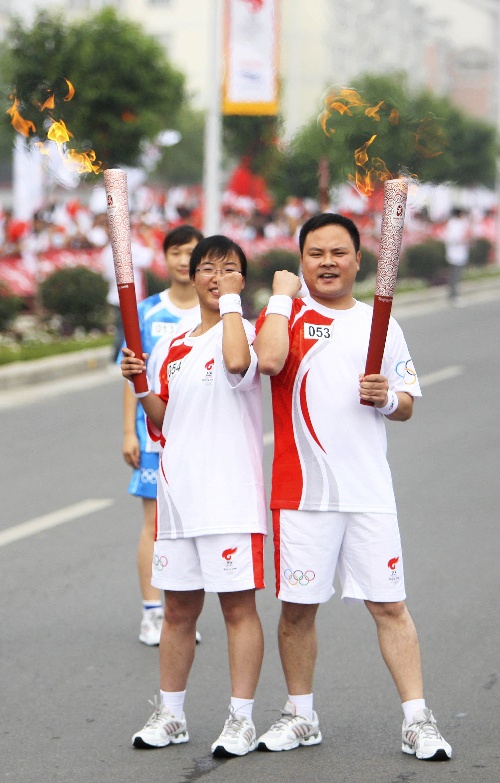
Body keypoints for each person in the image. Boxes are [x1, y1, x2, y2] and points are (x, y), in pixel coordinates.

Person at [253, 213, 452, 761]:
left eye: (339, 253)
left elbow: (407, 404)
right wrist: (278, 298)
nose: (328, 263)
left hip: (367, 492)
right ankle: (300, 715)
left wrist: (385, 396)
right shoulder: (284, 317)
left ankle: (418, 720)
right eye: (316, 253)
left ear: (359, 260)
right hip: (303, 493)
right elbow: (267, 361)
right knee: (297, 609)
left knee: (391, 607)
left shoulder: (379, 323)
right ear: (301, 260)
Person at [121, 235, 267, 757]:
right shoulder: (172, 345)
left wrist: (231, 302)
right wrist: (142, 389)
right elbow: (165, 420)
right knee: (178, 612)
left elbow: (234, 365)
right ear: (193, 274)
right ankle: (172, 714)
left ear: (242, 280)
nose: (215, 275)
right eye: (208, 267)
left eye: (228, 268)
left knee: (236, 611)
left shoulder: (248, 333)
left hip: (230, 498)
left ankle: (242, 718)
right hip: (179, 499)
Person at [119, 225, 204, 646]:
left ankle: (181, 609)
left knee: (191, 523)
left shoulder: (213, 314)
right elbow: (131, 376)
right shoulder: (148, 312)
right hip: (153, 436)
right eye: (176, 252)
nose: (184, 260)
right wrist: (127, 433)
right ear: (165, 258)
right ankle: (152, 611)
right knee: (153, 523)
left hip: (200, 439)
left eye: (192, 252)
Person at [443, 207, 470, 306]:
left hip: (461, 253)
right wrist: (462, 238)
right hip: (454, 254)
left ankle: (455, 294)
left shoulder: (461, 223)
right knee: (454, 276)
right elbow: (451, 238)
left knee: (457, 276)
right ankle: (453, 296)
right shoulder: (453, 224)